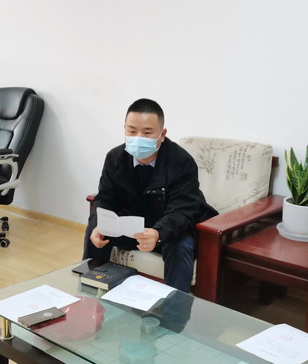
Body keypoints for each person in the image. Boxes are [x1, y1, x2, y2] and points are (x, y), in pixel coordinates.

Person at [84, 99, 217, 293]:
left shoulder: (181, 162)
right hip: (132, 229)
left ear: (162, 134)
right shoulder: (115, 158)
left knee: (180, 244)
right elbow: (104, 198)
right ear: (124, 130)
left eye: (147, 133)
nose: (138, 138)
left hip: (167, 230)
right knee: (95, 230)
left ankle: (174, 306)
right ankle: (90, 293)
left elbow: (182, 210)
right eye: (132, 131)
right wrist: (99, 224)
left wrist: (158, 233)